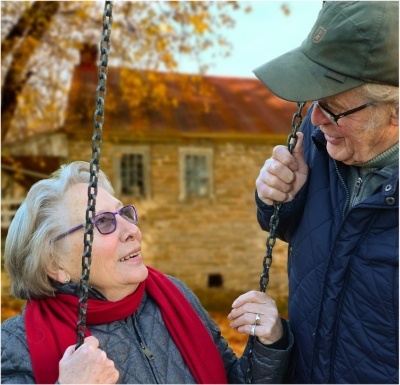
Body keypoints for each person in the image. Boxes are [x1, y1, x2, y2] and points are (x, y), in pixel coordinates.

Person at [1, 161, 293, 384]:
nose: (131, 230)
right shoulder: (16, 343)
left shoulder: (173, 295)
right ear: (55, 265)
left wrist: (270, 343)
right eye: (102, 222)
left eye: (124, 214)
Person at [252, 1, 398, 384]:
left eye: (334, 108)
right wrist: (279, 199)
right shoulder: (318, 139)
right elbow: (297, 231)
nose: (316, 119)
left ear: (395, 111)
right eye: (316, 101)